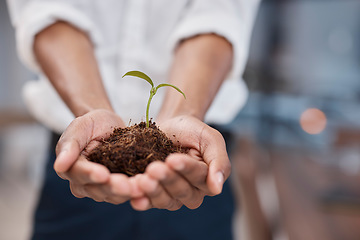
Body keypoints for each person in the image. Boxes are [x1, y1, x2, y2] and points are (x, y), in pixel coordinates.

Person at [7, 0, 260, 239]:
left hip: (192, 159)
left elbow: (218, 13)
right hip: (83, 152)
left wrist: (184, 114)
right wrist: (90, 113)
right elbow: (46, 9)